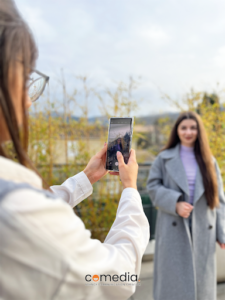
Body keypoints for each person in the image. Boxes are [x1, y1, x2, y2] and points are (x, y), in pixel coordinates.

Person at [0, 1, 149, 299]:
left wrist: (85, 178)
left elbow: (39, 206)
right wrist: (130, 188)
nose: (29, 101)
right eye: (25, 77)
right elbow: (116, 278)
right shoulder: (16, 212)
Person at [147, 111, 225, 300]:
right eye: (184, 128)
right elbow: (152, 187)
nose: (188, 132)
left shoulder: (209, 161)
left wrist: (222, 232)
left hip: (203, 227)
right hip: (174, 227)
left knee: (202, 285)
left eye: (193, 127)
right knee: (174, 285)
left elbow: (219, 199)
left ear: (199, 131)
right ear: (177, 131)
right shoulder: (163, 158)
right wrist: (175, 203)